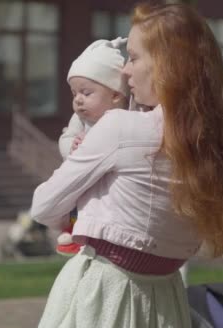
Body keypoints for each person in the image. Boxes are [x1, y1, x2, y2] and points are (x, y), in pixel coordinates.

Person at [30, 3, 223, 328]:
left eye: (133, 57)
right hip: (165, 300)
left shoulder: (121, 128)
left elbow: (43, 205)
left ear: (167, 66)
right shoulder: (212, 146)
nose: (125, 72)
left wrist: (76, 214)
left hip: (104, 295)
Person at [54, 37, 129, 256]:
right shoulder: (80, 120)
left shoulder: (124, 118)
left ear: (116, 94)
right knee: (76, 197)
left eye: (86, 93)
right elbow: (65, 138)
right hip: (84, 175)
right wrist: (71, 148)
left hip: (111, 181)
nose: (78, 100)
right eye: (74, 94)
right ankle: (74, 230)